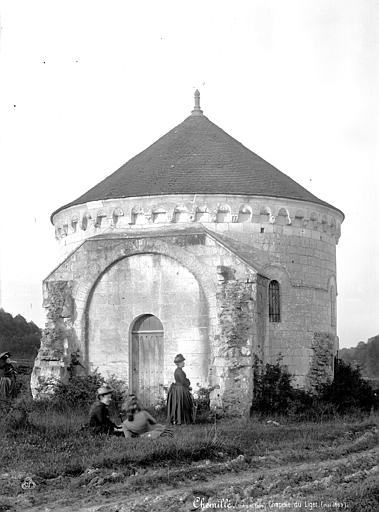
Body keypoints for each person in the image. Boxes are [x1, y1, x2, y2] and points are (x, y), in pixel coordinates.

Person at [166, 353, 194, 425]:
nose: (184, 363)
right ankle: (182, 420)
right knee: (183, 405)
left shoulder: (178, 370)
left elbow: (182, 381)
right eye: (182, 362)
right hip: (180, 390)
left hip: (179, 389)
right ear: (179, 363)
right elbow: (183, 381)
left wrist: (187, 384)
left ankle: (180, 420)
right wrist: (188, 383)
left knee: (181, 405)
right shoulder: (179, 371)